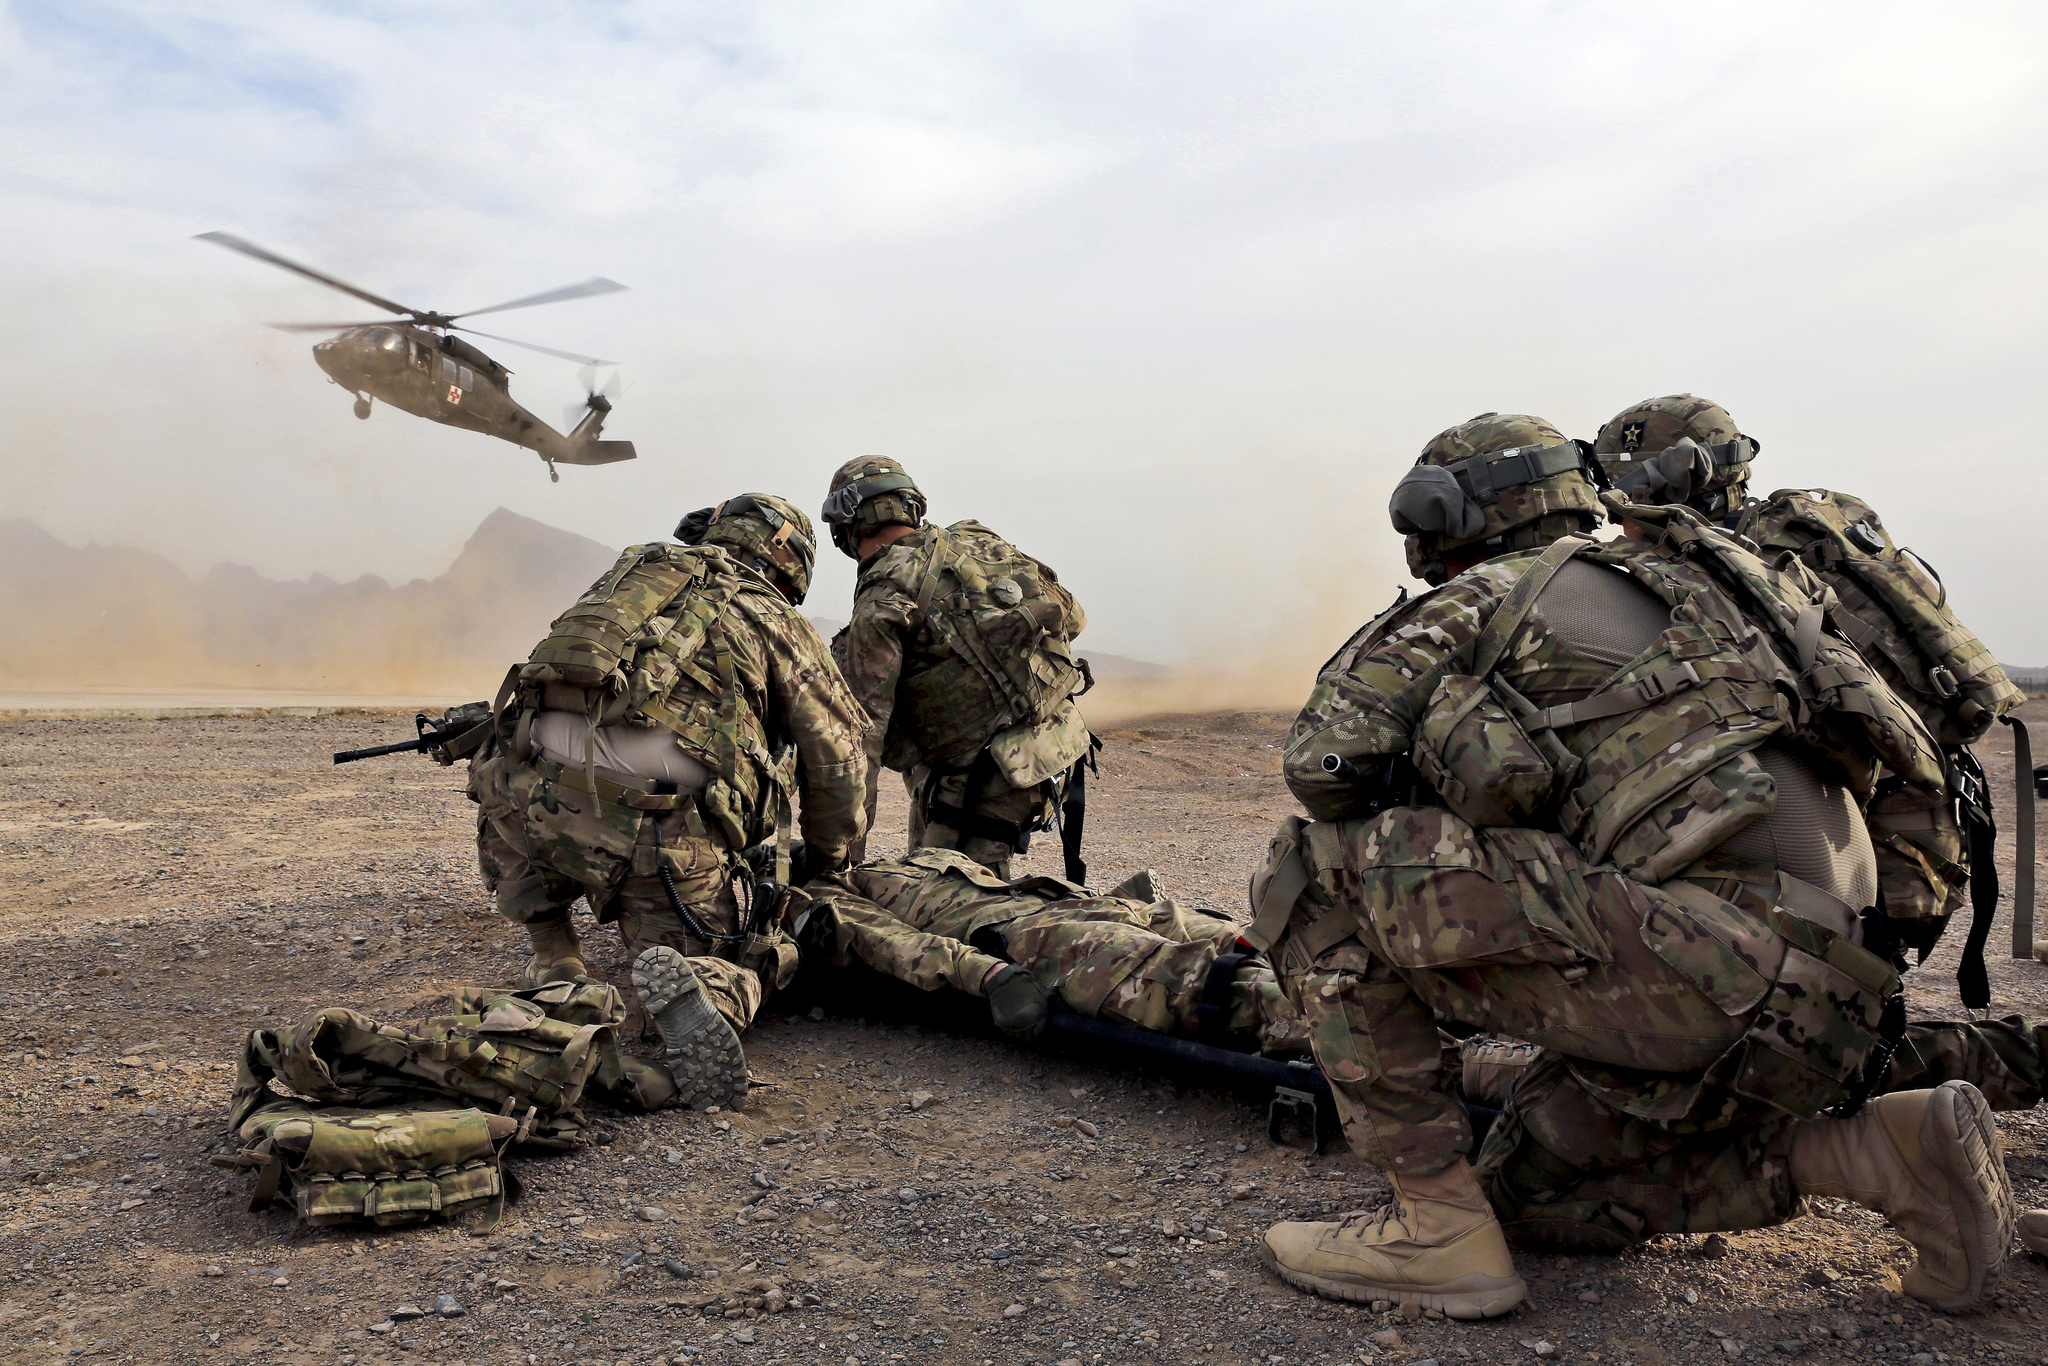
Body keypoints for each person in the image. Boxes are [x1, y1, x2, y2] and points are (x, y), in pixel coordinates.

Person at [1249, 412, 2017, 1319]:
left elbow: (1322, 772)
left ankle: (1432, 1229)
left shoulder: (1477, 599)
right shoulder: (1724, 583)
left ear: (1442, 516)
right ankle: (1880, 1152)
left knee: (1306, 869)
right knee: (1531, 1192)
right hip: (1836, 1001)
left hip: (1708, 977)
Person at [466, 493, 866, 1110]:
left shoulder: (632, 574)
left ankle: (555, 959)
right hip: (655, 845)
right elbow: (836, 757)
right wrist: (830, 857)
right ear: (791, 564)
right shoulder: (773, 618)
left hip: (528, 815)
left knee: (510, 785)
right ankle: (695, 999)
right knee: (725, 962)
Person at [1593, 394, 2025, 964]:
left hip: (1872, 839)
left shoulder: (1736, 566)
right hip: (1929, 812)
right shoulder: (1812, 532)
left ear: (1662, 482)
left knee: (1830, 1004)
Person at [821, 456, 1095, 880]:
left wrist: (840, 854)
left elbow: (863, 737)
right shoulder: (977, 541)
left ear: (848, 525)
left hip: (974, 782)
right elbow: (1073, 618)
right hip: (1047, 745)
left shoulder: (885, 595)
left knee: (955, 908)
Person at [795, 849, 1308, 1056]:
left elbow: (1002, 883)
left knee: (1261, 944)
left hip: (1082, 906)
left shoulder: (915, 857)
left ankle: (1367, 991)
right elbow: (897, 945)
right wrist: (989, 976)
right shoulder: (824, 896)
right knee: (1203, 988)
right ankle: (1354, 1032)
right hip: (1038, 942)